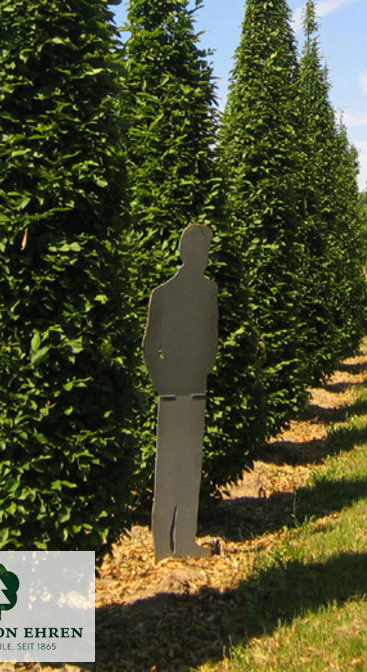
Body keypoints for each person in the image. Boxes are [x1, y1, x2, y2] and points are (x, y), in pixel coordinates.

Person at [142, 224, 218, 560]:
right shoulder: (181, 293)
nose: (202, 258)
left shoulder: (189, 292)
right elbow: (151, 345)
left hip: (185, 390)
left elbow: (150, 347)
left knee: (181, 465)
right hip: (181, 392)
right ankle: (170, 544)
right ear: (188, 253)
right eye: (199, 252)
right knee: (177, 465)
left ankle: (177, 543)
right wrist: (170, 380)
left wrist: (170, 378)